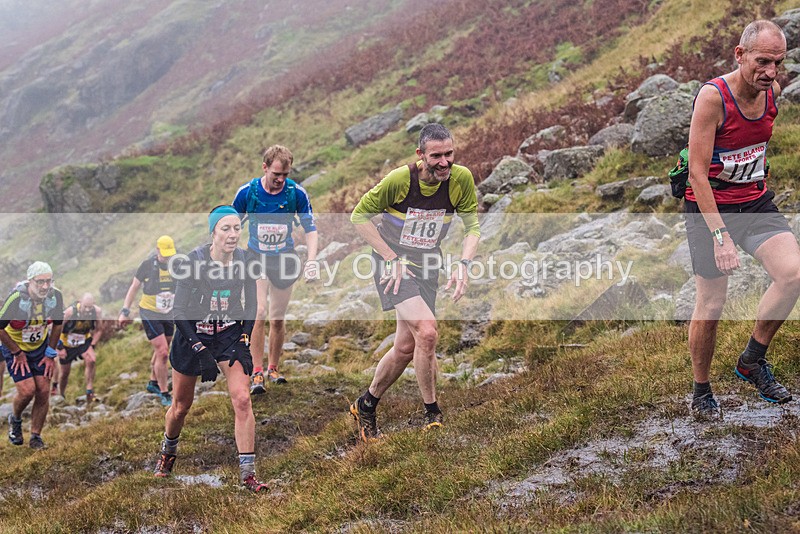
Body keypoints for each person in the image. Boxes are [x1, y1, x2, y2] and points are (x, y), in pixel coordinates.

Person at [685, 20, 800, 417]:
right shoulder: (713, 98)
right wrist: (721, 236)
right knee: (712, 303)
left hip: (753, 203)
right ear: (740, 54)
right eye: (762, 61)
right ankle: (701, 391)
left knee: (793, 275)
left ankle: (751, 360)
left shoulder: (773, 93)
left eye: (778, 63)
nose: (770, 72)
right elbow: (697, 173)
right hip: (709, 207)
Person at [348, 123, 480, 442]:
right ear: (420, 155)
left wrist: (464, 264)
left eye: (449, 154)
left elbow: (472, 226)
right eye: (436, 156)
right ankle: (432, 413)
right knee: (428, 331)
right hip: (392, 265)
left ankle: (366, 404)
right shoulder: (399, 180)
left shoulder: (461, 179)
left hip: (427, 266)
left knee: (406, 347)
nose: (444, 162)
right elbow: (358, 216)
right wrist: (391, 258)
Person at [153, 205, 267, 492]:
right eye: (225, 229)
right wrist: (199, 349)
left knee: (243, 399)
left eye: (237, 228)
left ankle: (248, 475)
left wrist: (244, 338)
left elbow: (251, 305)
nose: (232, 234)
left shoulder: (246, 260)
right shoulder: (193, 263)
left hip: (228, 335)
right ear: (213, 233)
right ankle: (167, 453)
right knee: (181, 407)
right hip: (192, 335)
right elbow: (179, 312)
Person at [232, 145, 318, 393]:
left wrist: (311, 260)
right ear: (265, 167)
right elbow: (230, 224)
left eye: (285, 175)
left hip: (284, 260)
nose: (281, 179)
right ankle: (256, 372)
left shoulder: (295, 193)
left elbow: (310, 229)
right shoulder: (248, 193)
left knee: (277, 318)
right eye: (276, 174)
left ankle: (273, 368)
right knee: (259, 312)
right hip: (256, 257)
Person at [0, 262, 64, 449]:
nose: (45, 286)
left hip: (40, 347)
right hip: (15, 347)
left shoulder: (55, 296)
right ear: (30, 281)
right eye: (40, 282)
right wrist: (16, 352)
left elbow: (58, 324)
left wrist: (50, 352)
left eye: (48, 281)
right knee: (28, 391)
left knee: (43, 391)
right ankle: (15, 419)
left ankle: (36, 436)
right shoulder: (16, 298)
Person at [118, 235, 178, 406]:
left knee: (163, 348)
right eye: (165, 254)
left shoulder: (177, 265)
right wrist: (125, 311)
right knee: (163, 352)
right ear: (157, 250)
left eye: (170, 254)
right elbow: (134, 288)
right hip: (150, 312)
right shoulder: (147, 265)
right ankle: (164, 393)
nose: (167, 257)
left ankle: (153, 382)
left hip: (168, 313)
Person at [56, 293, 102, 403]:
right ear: (80, 303)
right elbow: (57, 328)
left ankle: (89, 390)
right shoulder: (70, 312)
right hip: (66, 343)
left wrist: (92, 344)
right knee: (65, 373)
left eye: (90, 307)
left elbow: (99, 330)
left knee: (91, 359)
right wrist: (60, 347)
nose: (87, 310)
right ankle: (61, 394)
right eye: (85, 307)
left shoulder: (97, 312)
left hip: (83, 341)